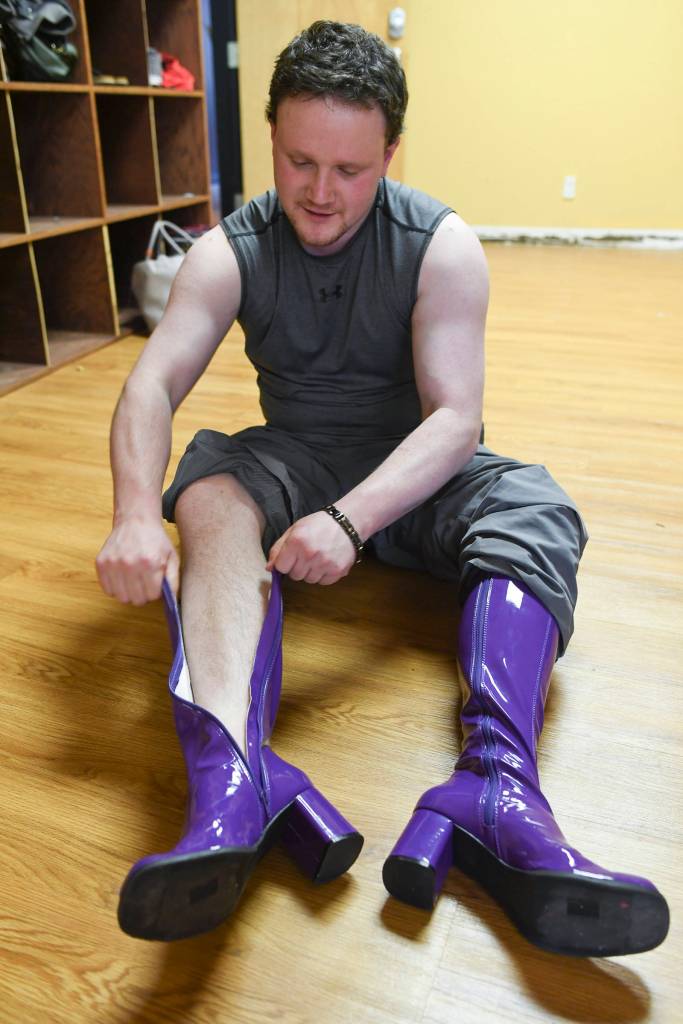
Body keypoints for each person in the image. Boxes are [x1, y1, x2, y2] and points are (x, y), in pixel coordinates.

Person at [96, 21, 669, 952]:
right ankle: (236, 780)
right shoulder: (227, 252)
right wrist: (130, 513)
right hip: (293, 457)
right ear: (273, 137)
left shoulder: (440, 245)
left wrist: (348, 522)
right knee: (205, 491)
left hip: (411, 471)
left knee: (534, 504)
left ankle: (493, 788)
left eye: (350, 171)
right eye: (297, 161)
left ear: (390, 154)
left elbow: (454, 420)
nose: (319, 193)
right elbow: (152, 382)